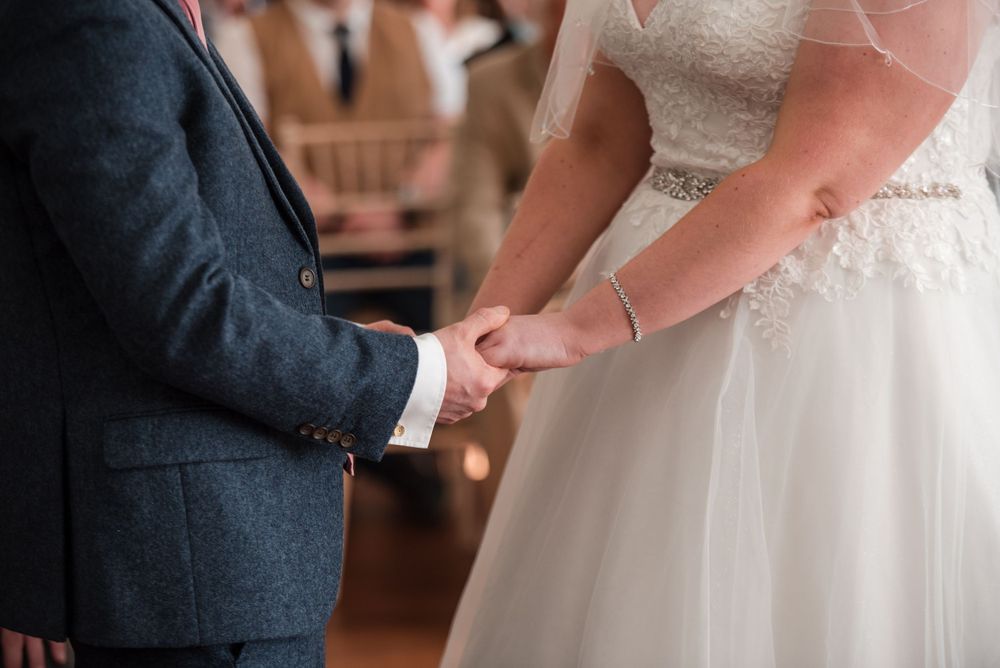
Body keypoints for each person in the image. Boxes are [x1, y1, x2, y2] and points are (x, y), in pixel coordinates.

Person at [442, 0, 1000, 664]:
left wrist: (578, 330)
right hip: (640, 313)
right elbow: (599, 142)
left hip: (837, 316)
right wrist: (476, 339)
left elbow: (817, 182)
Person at [0, 1, 512, 666]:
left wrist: (350, 350)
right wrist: (403, 375)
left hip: (212, 547)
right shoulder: (95, 16)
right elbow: (180, 307)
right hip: (193, 556)